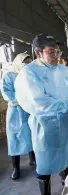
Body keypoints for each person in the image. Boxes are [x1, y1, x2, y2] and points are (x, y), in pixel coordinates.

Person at [14, 34, 68, 195]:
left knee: (67, 153)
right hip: (45, 125)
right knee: (45, 161)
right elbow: (40, 102)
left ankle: (67, 181)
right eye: (51, 52)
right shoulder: (29, 73)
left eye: (58, 52)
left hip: (66, 123)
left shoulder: (63, 69)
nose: (57, 56)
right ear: (38, 53)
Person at [0, 52, 35, 180]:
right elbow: (7, 94)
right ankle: (16, 167)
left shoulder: (30, 75)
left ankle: (33, 159)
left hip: (28, 111)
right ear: (18, 63)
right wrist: (22, 100)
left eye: (29, 63)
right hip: (15, 112)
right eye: (25, 63)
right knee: (14, 138)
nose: (27, 65)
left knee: (31, 135)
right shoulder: (9, 76)